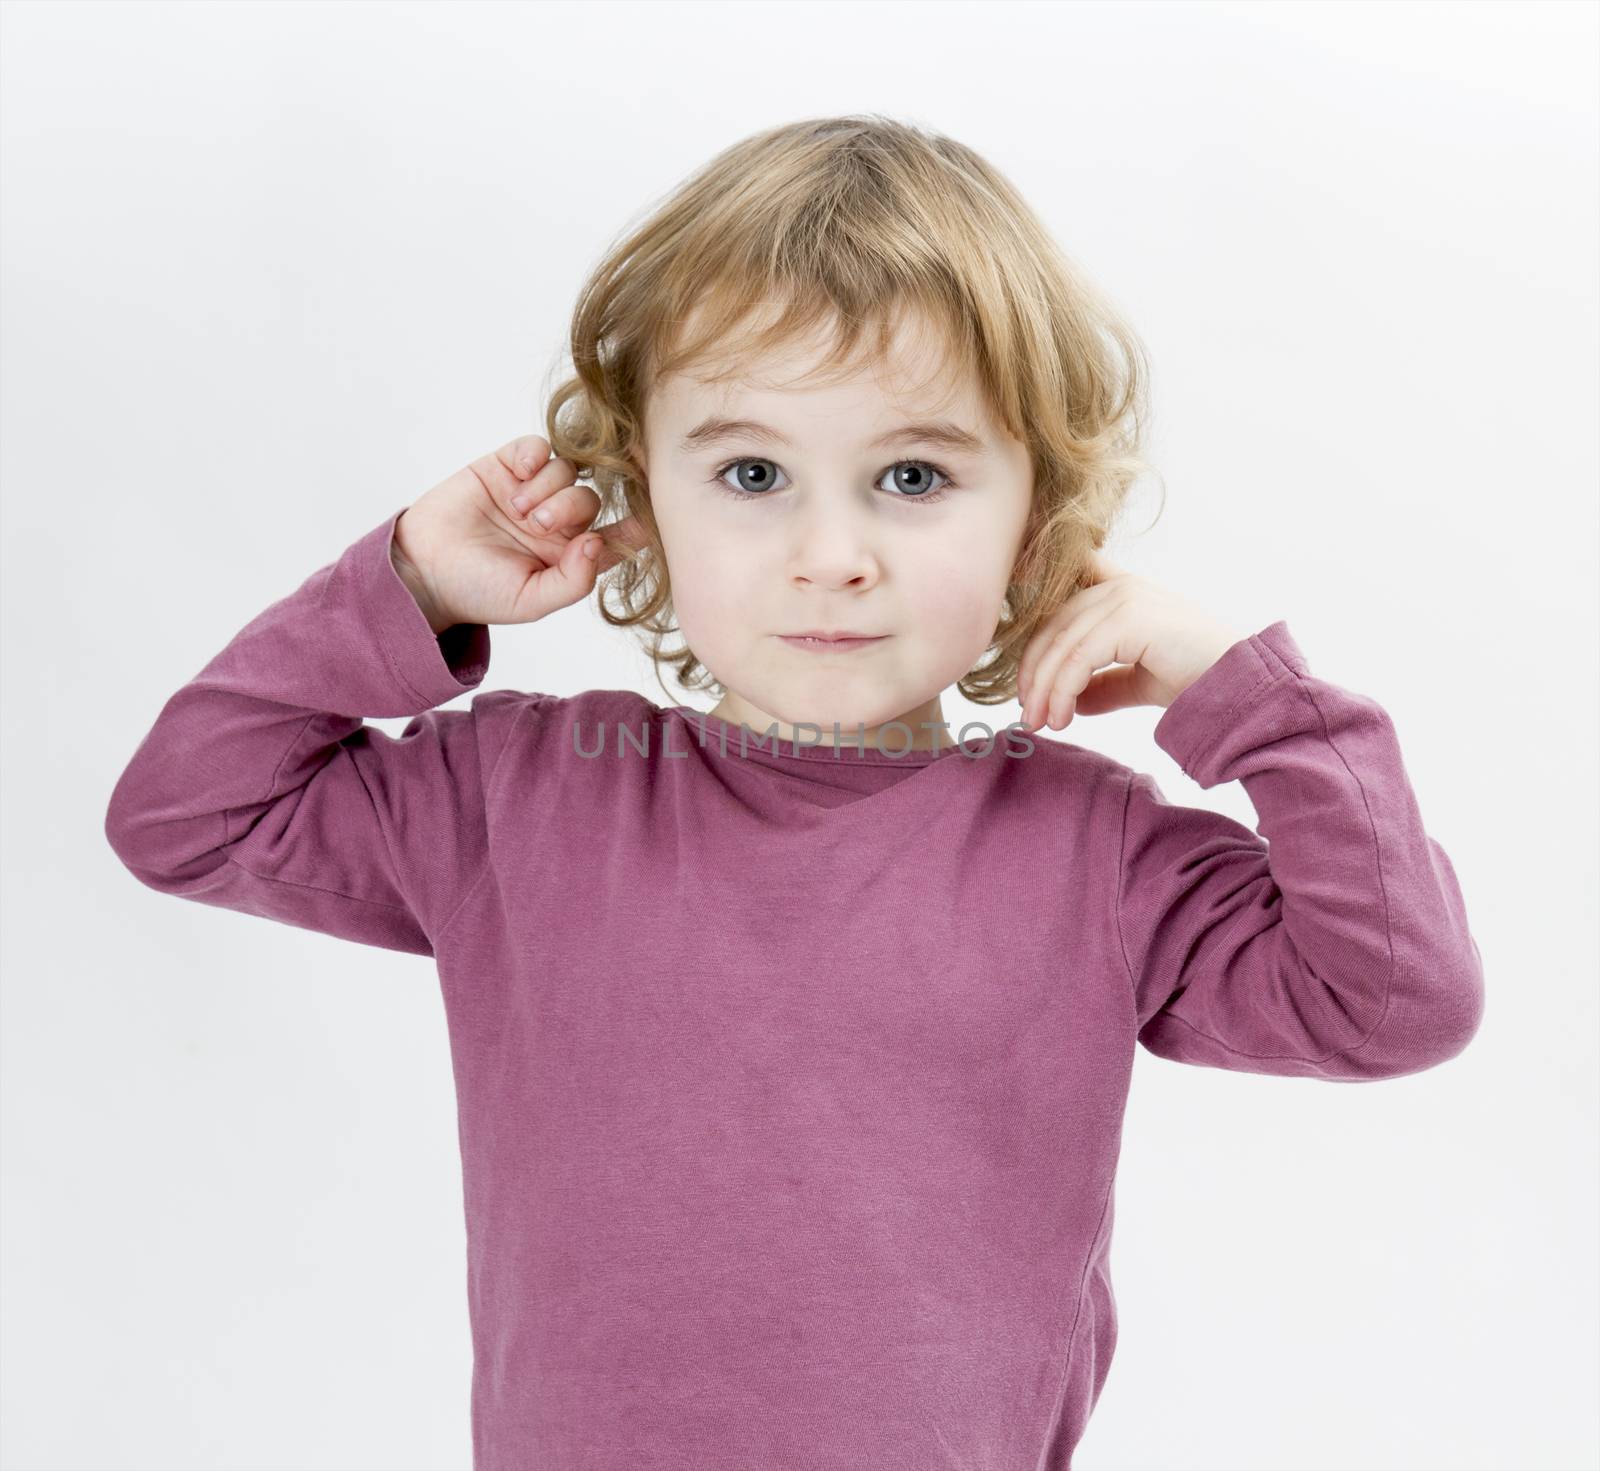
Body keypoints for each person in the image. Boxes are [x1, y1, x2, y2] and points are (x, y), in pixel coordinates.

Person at [103, 115, 1485, 1470]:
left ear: (1036, 519)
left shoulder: (1097, 857)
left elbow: (1397, 998)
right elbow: (188, 815)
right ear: (639, 494)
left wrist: (1243, 698)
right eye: (753, 473)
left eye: (913, 476)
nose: (833, 554)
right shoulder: (516, 798)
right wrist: (400, 581)